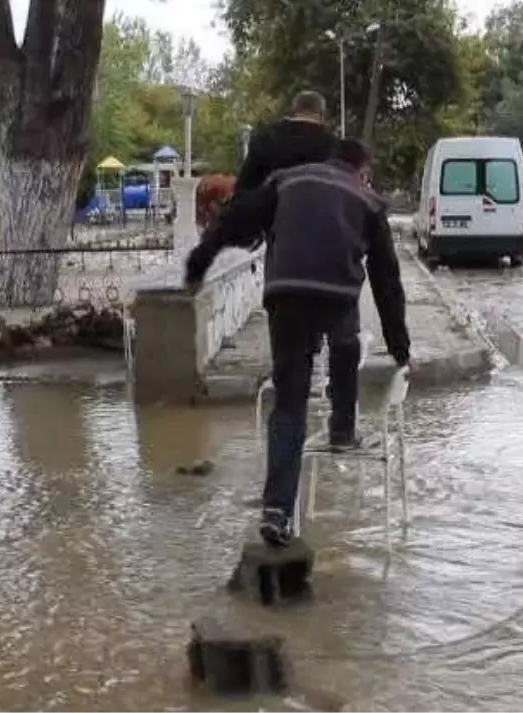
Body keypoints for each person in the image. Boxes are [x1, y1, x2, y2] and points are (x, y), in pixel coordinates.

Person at [184, 138, 411, 547]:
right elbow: (386, 281)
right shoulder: (368, 201)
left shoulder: (285, 182)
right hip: (338, 297)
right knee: (347, 345)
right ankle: (342, 429)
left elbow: (235, 220)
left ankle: (276, 513)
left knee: (289, 405)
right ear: (362, 171)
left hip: (285, 295)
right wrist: (400, 348)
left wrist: (200, 260)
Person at [235, 90, 365, 449]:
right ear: (321, 116)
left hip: (287, 268)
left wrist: (255, 236)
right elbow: (356, 200)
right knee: (344, 342)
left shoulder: (264, 143)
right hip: (335, 267)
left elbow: (244, 201)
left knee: (291, 377)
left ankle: (280, 493)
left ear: (293, 111)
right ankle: (342, 430)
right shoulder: (335, 149)